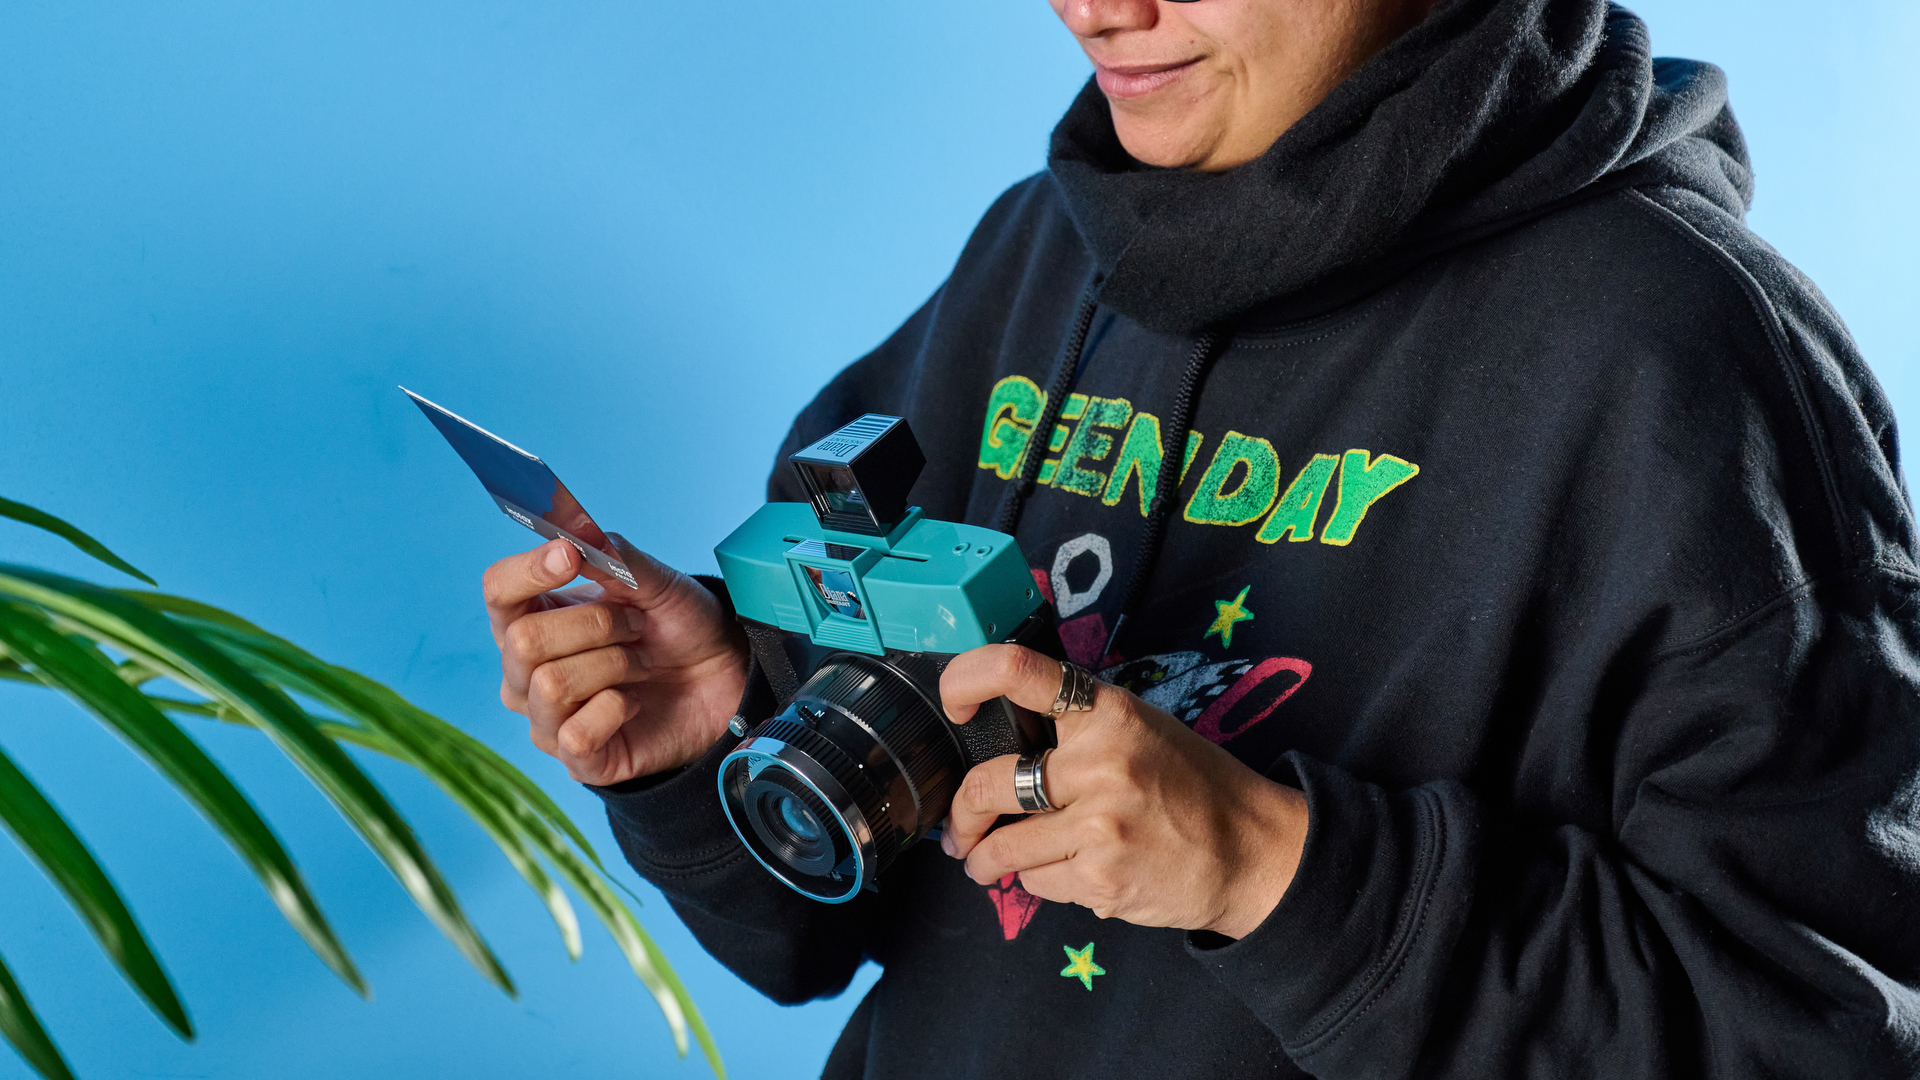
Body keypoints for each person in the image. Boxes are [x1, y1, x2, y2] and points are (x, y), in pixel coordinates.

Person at [481, 0, 1920, 1075]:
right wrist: (711, 740)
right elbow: (805, 933)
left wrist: (1275, 872)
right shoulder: (1036, 254)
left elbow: (1829, 1035)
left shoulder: (1686, 359)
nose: (1093, 8)